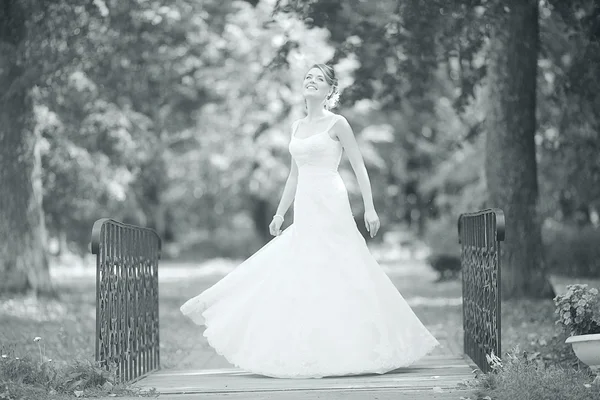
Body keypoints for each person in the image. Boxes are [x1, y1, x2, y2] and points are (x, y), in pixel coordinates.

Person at [180, 64, 439, 379]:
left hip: (331, 200)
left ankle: (365, 343)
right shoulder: (295, 126)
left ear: (330, 91)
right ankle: (312, 348)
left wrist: (370, 208)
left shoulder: (338, 123)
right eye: (308, 77)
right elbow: (293, 175)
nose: (312, 81)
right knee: (305, 267)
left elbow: (358, 165)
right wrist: (279, 213)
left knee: (343, 263)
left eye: (319, 79)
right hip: (305, 202)